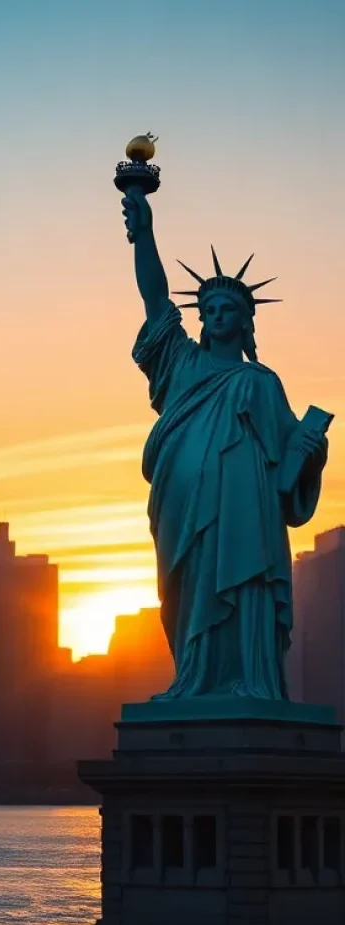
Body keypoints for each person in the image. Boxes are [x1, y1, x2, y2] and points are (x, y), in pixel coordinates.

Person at [121, 188, 328, 700]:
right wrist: (144, 233)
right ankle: (194, 679)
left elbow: (289, 465)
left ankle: (247, 680)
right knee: (190, 592)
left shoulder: (261, 383)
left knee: (244, 581)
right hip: (184, 506)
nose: (215, 314)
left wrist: (310, 453)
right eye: (208, 307)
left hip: (245, 513)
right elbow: (154, 298)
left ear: (243, 320)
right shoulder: (181, 363)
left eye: (226, 308)